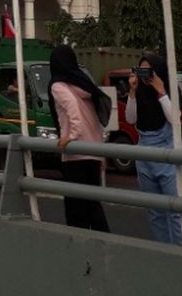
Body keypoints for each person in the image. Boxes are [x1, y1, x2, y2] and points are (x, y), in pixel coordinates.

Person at [48, 44, 112, 233]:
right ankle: (104, 245)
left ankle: (78, 250)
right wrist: (101, 155)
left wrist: (71, 136)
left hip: (75, 155)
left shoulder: (58, 85)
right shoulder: (83, 83)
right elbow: (96, 121)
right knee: (93, 206)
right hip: (93, 151)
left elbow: (72, 107)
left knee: (75, 209)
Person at [125, 51, 181, 244]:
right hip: (144, 154)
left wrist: (161, 91)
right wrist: (132, 91)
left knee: (175, 209)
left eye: (150, 71)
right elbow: (131, 119)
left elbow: (175, 120)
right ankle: (163, 249)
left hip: (166, 152)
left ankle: (180, 251)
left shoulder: (169, 91)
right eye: (142, 71)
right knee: (154, 210)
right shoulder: (139, 92)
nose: (145, 76)